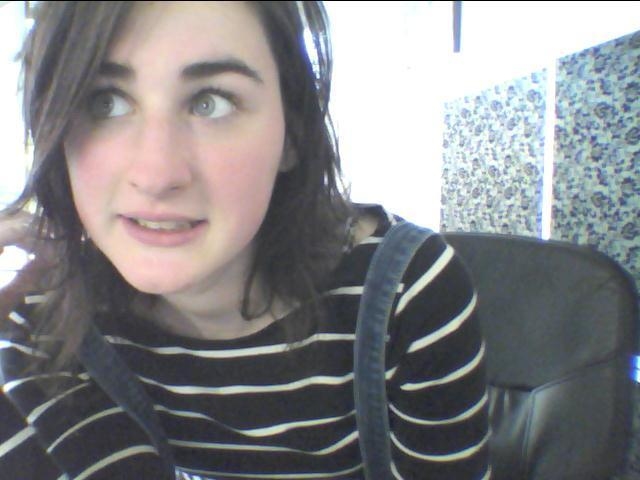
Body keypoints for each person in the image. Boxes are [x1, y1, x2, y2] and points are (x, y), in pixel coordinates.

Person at [0, 1, 491, 479]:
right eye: (104, 101)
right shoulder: (46, 324)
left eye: (210, 102)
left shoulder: (405, 296)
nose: (156, 175)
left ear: (293, 133)